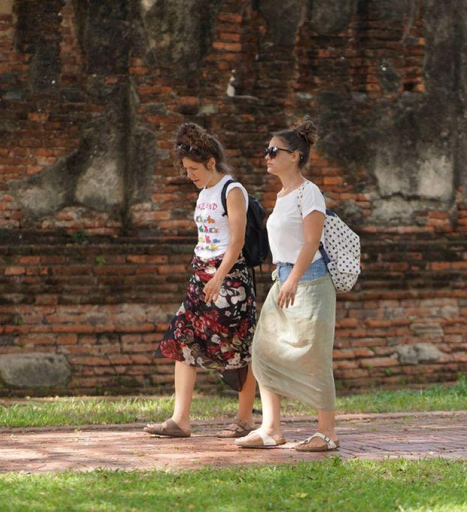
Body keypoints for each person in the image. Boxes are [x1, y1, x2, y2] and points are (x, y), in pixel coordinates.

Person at [144, 123, 257, 439]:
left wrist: (219, 277)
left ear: (211, 163)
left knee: (236, 347)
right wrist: (202, 275)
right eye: (186, 170)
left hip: (229, 280)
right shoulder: (204, 192)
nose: (189, 175)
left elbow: (237, 241)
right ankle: (180, 420)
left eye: (194, 168)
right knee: (182, 339)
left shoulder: (231, 190)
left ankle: (245, 419)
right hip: (201, 276)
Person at [235, 117, 340, 452]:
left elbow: (311, 242)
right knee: (263, 350)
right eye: (267, 151)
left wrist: (293, 279)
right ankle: (271, 428)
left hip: (308, 282)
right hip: (283, 280)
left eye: (273, 151)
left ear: (294, 156)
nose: (267, 156)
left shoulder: (310, 194)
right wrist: (285, 279)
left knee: (313, 355)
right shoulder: (283, 195)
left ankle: (327, 433)